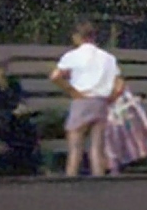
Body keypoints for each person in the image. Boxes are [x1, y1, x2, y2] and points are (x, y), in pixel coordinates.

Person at [49, 22, 122, 178]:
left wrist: (71, 91)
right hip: (101, 102)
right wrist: (111, 98)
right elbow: (119, 85)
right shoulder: (108, 58)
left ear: (77, 37)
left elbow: (55, 76)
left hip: (82, 100)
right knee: (97, 148)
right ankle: (99, 181)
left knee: (75, 147)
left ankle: (71, 179)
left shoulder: (72, 56)